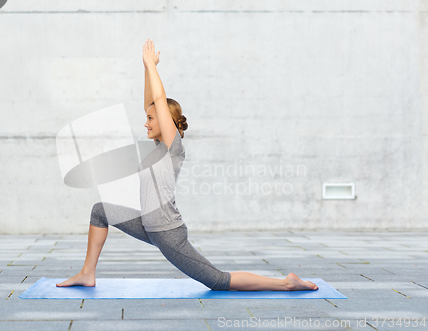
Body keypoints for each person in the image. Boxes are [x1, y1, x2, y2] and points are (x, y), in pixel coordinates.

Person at [56, 39, 318, 292]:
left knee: (217, 280)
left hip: (168, 233)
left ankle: (286, 282)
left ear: (164, 121)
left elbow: (159, 101)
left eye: (150, 119)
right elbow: (152, 102)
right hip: (149, 226)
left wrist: (153, 67)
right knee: (100, 211)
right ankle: (87, 274)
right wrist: (147, 69)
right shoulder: (157, 148)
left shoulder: (173, 149)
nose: (145, 123)